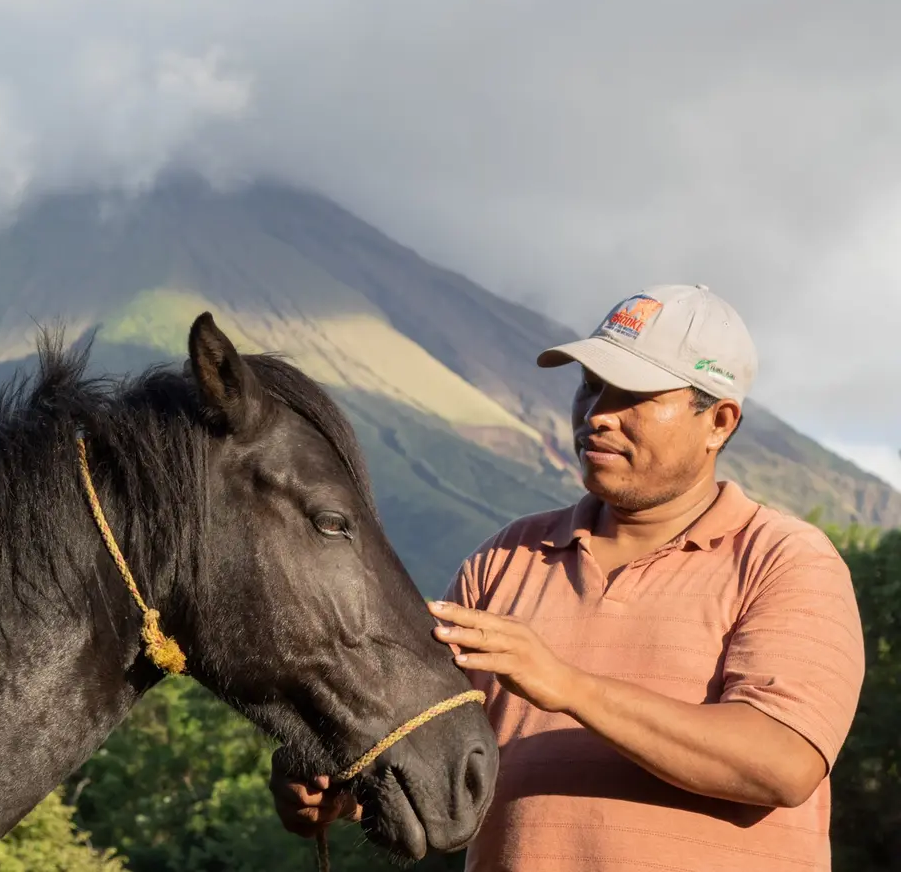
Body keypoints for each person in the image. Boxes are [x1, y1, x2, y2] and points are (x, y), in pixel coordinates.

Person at [269, 284, 866, 871]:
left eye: (634, 394)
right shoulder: (504, 559)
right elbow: (420, 739)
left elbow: (783, 764)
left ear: (719, 421)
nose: (598, 415)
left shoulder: (786, 560)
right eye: (590, 386)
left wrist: (568, 686)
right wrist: (334, 787)